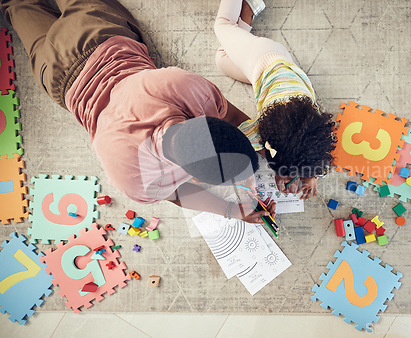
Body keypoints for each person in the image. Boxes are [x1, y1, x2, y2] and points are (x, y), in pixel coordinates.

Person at [1, 0, 275, 223]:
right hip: (59, 78)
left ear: (204, 118)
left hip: (98, 30)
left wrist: (259, 156)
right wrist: (231, 210)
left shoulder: (183, 87)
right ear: (194, 176)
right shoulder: (133, 180)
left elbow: (237, 121)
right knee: (17, 5)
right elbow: (180, 195)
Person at [214, 0, 337, 200]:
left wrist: (311, 176)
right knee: (222, 26)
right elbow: (243, 136)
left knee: (222, 59)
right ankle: (240, 25)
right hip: (261, 56)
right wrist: (276, 171)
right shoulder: (261, 130)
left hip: (279, 65)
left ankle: (249, 9)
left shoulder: (314, 129)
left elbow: (315, 151)